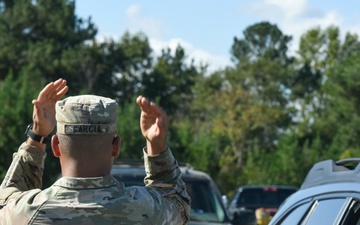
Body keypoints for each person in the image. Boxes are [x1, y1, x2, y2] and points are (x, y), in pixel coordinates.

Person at [0, 78, 190, 224]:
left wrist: (37, 137)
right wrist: (156, 146)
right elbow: (177, 204)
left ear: (56, 146)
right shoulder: (144, 210)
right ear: (116, 147)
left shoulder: (26, 212)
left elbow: (5, 200)